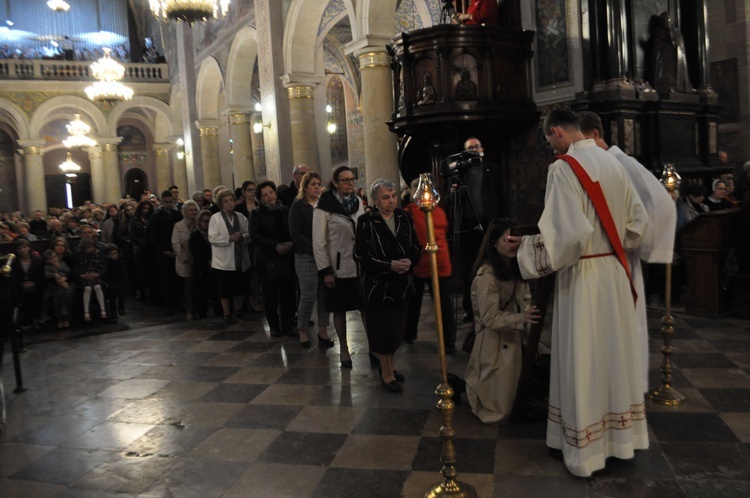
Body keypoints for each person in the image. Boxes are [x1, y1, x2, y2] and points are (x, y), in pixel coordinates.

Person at [509, 109, 648, 477]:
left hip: (584, 275)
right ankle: (619, 441)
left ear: (556, 132)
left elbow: (568, 238)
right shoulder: (614, 160)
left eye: (549, 140)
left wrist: (524, 248)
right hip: (616, 273)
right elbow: (638, 224)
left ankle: (584, 451)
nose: (550, 146)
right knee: (614, 354)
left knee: (583, 356)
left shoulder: (564, 168)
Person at [579, 110, 677, 392]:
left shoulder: (621, 162)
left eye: (584, 139)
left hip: (619, 258)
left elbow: (661, 206)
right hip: (604, 259)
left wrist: (632, 242)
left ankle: (629, 386)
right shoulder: (598, 164)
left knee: (625, 326)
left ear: (596, 134)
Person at [465, 219, 540, 423]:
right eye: (507, 239)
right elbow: (489, 317)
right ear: (493, 243)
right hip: (495, 343)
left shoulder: (516, 269)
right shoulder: (487, 276)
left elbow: (524, 300)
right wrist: (521, 318)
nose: (512, 244)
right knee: (500, 407)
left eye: (515, 239)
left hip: (514, 339)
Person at [355, 179, 421, 392]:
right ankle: (386, 372)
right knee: (382, 331)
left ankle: (389, 366)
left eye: (393, 196)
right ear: (375, 200)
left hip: (401, 284)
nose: (392, 200)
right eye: (385, 197)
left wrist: (410, 261)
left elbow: (415, 247)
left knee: (397, 329)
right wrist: (389, 266)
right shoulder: (366, 221)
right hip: (378, 286)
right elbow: (361, 256)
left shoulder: (404, 217)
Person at [453, 136, 511, 323]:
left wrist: (506, 226)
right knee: (470, 270)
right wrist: (454, 191)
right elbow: (449, 202)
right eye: (470, 148)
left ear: (482, 148)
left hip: (491, 228)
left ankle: (500, 305)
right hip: (469, 229)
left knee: (496, 266)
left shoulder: (494, 170)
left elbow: (504, 197)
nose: (475, 150)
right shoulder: (462, 175)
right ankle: (470, 309)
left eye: (477, 146)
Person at [313, 166, 366, 368]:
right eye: (345, 180)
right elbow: (318, 242)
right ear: (335, 183)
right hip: (337, 268)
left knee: (365, 309)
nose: (350, 183)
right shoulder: (324, 206)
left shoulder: (358, 202)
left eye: (352, 179)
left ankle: (374, 350)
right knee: (339, 310)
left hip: (358, 265)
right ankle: (344, 349)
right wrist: (326, 270)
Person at [403, 177, 457, 352]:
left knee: (443, 304)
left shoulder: (436, 211)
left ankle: (448, 341)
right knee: (414, 302)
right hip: (420, 263)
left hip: (439, 262)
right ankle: (409, 335)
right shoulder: (410, 211)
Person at [288, 171, 333, 348]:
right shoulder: (298, 205)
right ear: (305, 187)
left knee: (325, 294)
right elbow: (295, 232)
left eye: (318, 184)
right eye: (313, 184)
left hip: (325, 256)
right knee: (308, 296)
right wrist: (315, 248)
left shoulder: (325, 205)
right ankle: (303, 330)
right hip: (305, 255)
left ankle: (323, 330)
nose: (316, 187)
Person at [250, 181, 296, 335]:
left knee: (288, 295)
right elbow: (255, 235)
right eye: (264, 195)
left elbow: (292, 229)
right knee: (270, 296)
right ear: (260, 199)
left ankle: (288, 325)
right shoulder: (256, 213)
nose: (269, 197)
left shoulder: (285, 210)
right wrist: (274, 245)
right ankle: (274, 326)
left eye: (270, 192)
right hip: (267, 259)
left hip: (286, 257)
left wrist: (290, 243)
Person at [209, 189, 251, 323]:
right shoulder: (215, 218)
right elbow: (212, 238)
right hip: (223, 260)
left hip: (240, 257)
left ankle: (238, 309)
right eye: (226, 201)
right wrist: (229, 238)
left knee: (240, 286)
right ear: (221, 204)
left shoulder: (241, 217)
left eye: (231, 200)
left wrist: (242, 237)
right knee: (225, 288)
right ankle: (226, 312)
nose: (229, 203)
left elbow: (249, 233)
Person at [149, 190, 184, 314]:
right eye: (166, 202)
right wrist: (163, 250)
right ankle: (168, 304)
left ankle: (178, 302)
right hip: (162, 252)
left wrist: (177, 250)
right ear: (162, 202)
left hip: (176, 251)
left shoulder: (177, 215)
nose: (169, 204)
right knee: (165, 279)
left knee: (177, 278)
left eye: (170, 202)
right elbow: (154, 236)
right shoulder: (156, 217)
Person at [190, 209, 223, 319]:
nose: (207, 223)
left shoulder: (215, 234)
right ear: (199, 222)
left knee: (216, 291)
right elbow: (196, 252)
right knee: (202, 293)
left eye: (210, 221)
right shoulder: (195, 235)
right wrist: (207, 261)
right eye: (205, 221)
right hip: (201, 268)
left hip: (215, 266)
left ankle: (219, 312)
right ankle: (202, 314)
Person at [651, 11, 693, 93]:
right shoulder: (658, 33)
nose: (666, 21)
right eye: (664, 19)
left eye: (667, 19)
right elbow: (656, 48)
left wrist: (672, 41)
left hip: (674, 58)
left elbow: (680, 45)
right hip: (663, 60)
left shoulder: (676, 32)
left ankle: (678, 87)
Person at [172, 200, 199, 320]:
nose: (193, 212)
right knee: (189, 288)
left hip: (199, 259)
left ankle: (199, 309)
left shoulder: (201, 224)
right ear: (185, 212)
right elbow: (175, 243)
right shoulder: (178, 226)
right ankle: (190, 311)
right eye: (190, 210)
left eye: (194, 210)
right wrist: (185, 258)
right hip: (185, 260)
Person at [11, 238, 45, 329]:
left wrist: (34, 283)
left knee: (35, 297)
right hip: (21, 285)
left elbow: (41, 275)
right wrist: (21, 284)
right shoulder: (15, 262)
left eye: (24, 247)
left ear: (29, 248)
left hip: (36, 284)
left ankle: (35, 320)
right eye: (19, 248)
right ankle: (25, 320)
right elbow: (14, 277)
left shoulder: (37, 260)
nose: (22, 250)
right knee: (22, 297)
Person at [76, 237, 107, 322]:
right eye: (88, 247)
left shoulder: (96, 255)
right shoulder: (80, 256)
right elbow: (79, 268)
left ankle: (103, 309)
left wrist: (97, 274)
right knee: (87, 288)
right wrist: (83, 275)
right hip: (85, 277)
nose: (91, 248)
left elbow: (100, 266)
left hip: (95, 276)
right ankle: (86, 311)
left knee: (97, 287)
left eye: (91, 246)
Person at [130, 200, 154, 302]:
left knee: (149, 271)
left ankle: (150, 292)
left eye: (148, 209)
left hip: (149, 248)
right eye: (144, 208)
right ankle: (141, 292)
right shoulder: (134, 220)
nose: (146, 211)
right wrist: (142, 243)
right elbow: (133, 235)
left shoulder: (151, 219)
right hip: (139, 248)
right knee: (141, 271)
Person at [43, 248, 73, 329]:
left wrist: (60, 268)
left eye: (54, 257)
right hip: (55, 286)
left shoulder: (62, 264)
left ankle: (65, 315)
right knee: (55, 297)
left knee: (63, 293)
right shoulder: (47, 267)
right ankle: (59, 319)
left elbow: (68, 271)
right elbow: (47, 275)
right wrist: (54, 275)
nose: (53, 259)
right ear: (47, 261)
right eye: (51, 258)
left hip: (64, 285)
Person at [102, 244, 126, 322]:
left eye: (116, 253)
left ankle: (121, 308)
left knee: (121, 292)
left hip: (119, 280)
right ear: (107, 256)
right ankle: (113, 313)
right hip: (111, 281)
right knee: (112, 296)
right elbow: (105, 273)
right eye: (112, 254)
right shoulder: (107, 263)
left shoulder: (121, 262)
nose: (115, 255)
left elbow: (124, 272)